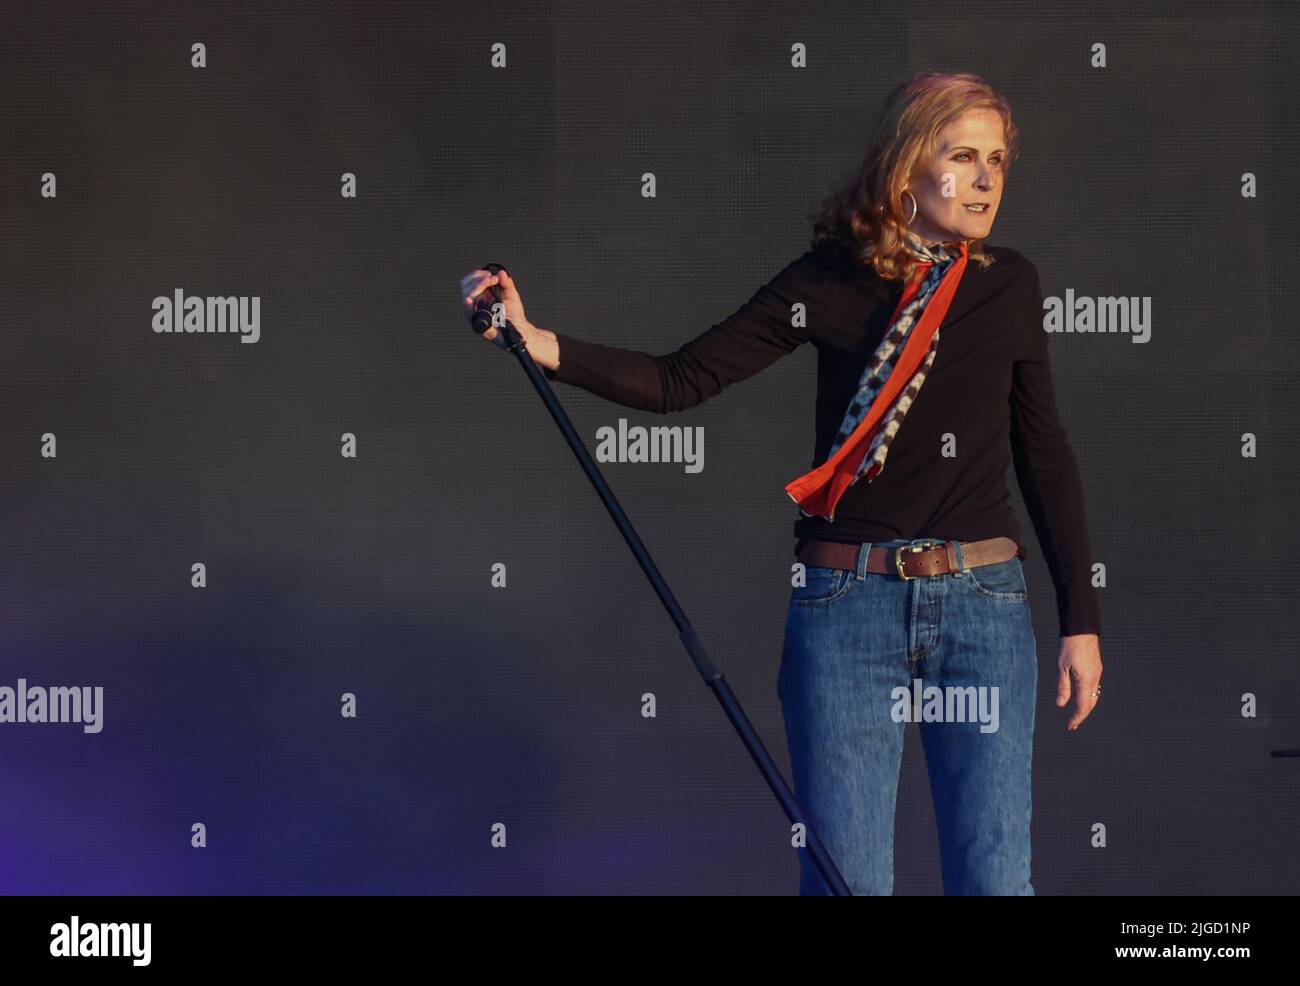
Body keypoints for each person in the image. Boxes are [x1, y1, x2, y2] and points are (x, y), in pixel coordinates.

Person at [459, 71, 1104, 896]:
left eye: (999, 161)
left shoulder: (1008, 282)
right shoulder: (826, 282)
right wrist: (537, 338)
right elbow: (677, 380)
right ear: (909, 167)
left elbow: (1043, 449)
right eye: (964, 156)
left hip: (985, 606)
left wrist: (1080, 620)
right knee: (847, 883)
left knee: (995, 880)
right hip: (846, 609)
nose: (986, 180)